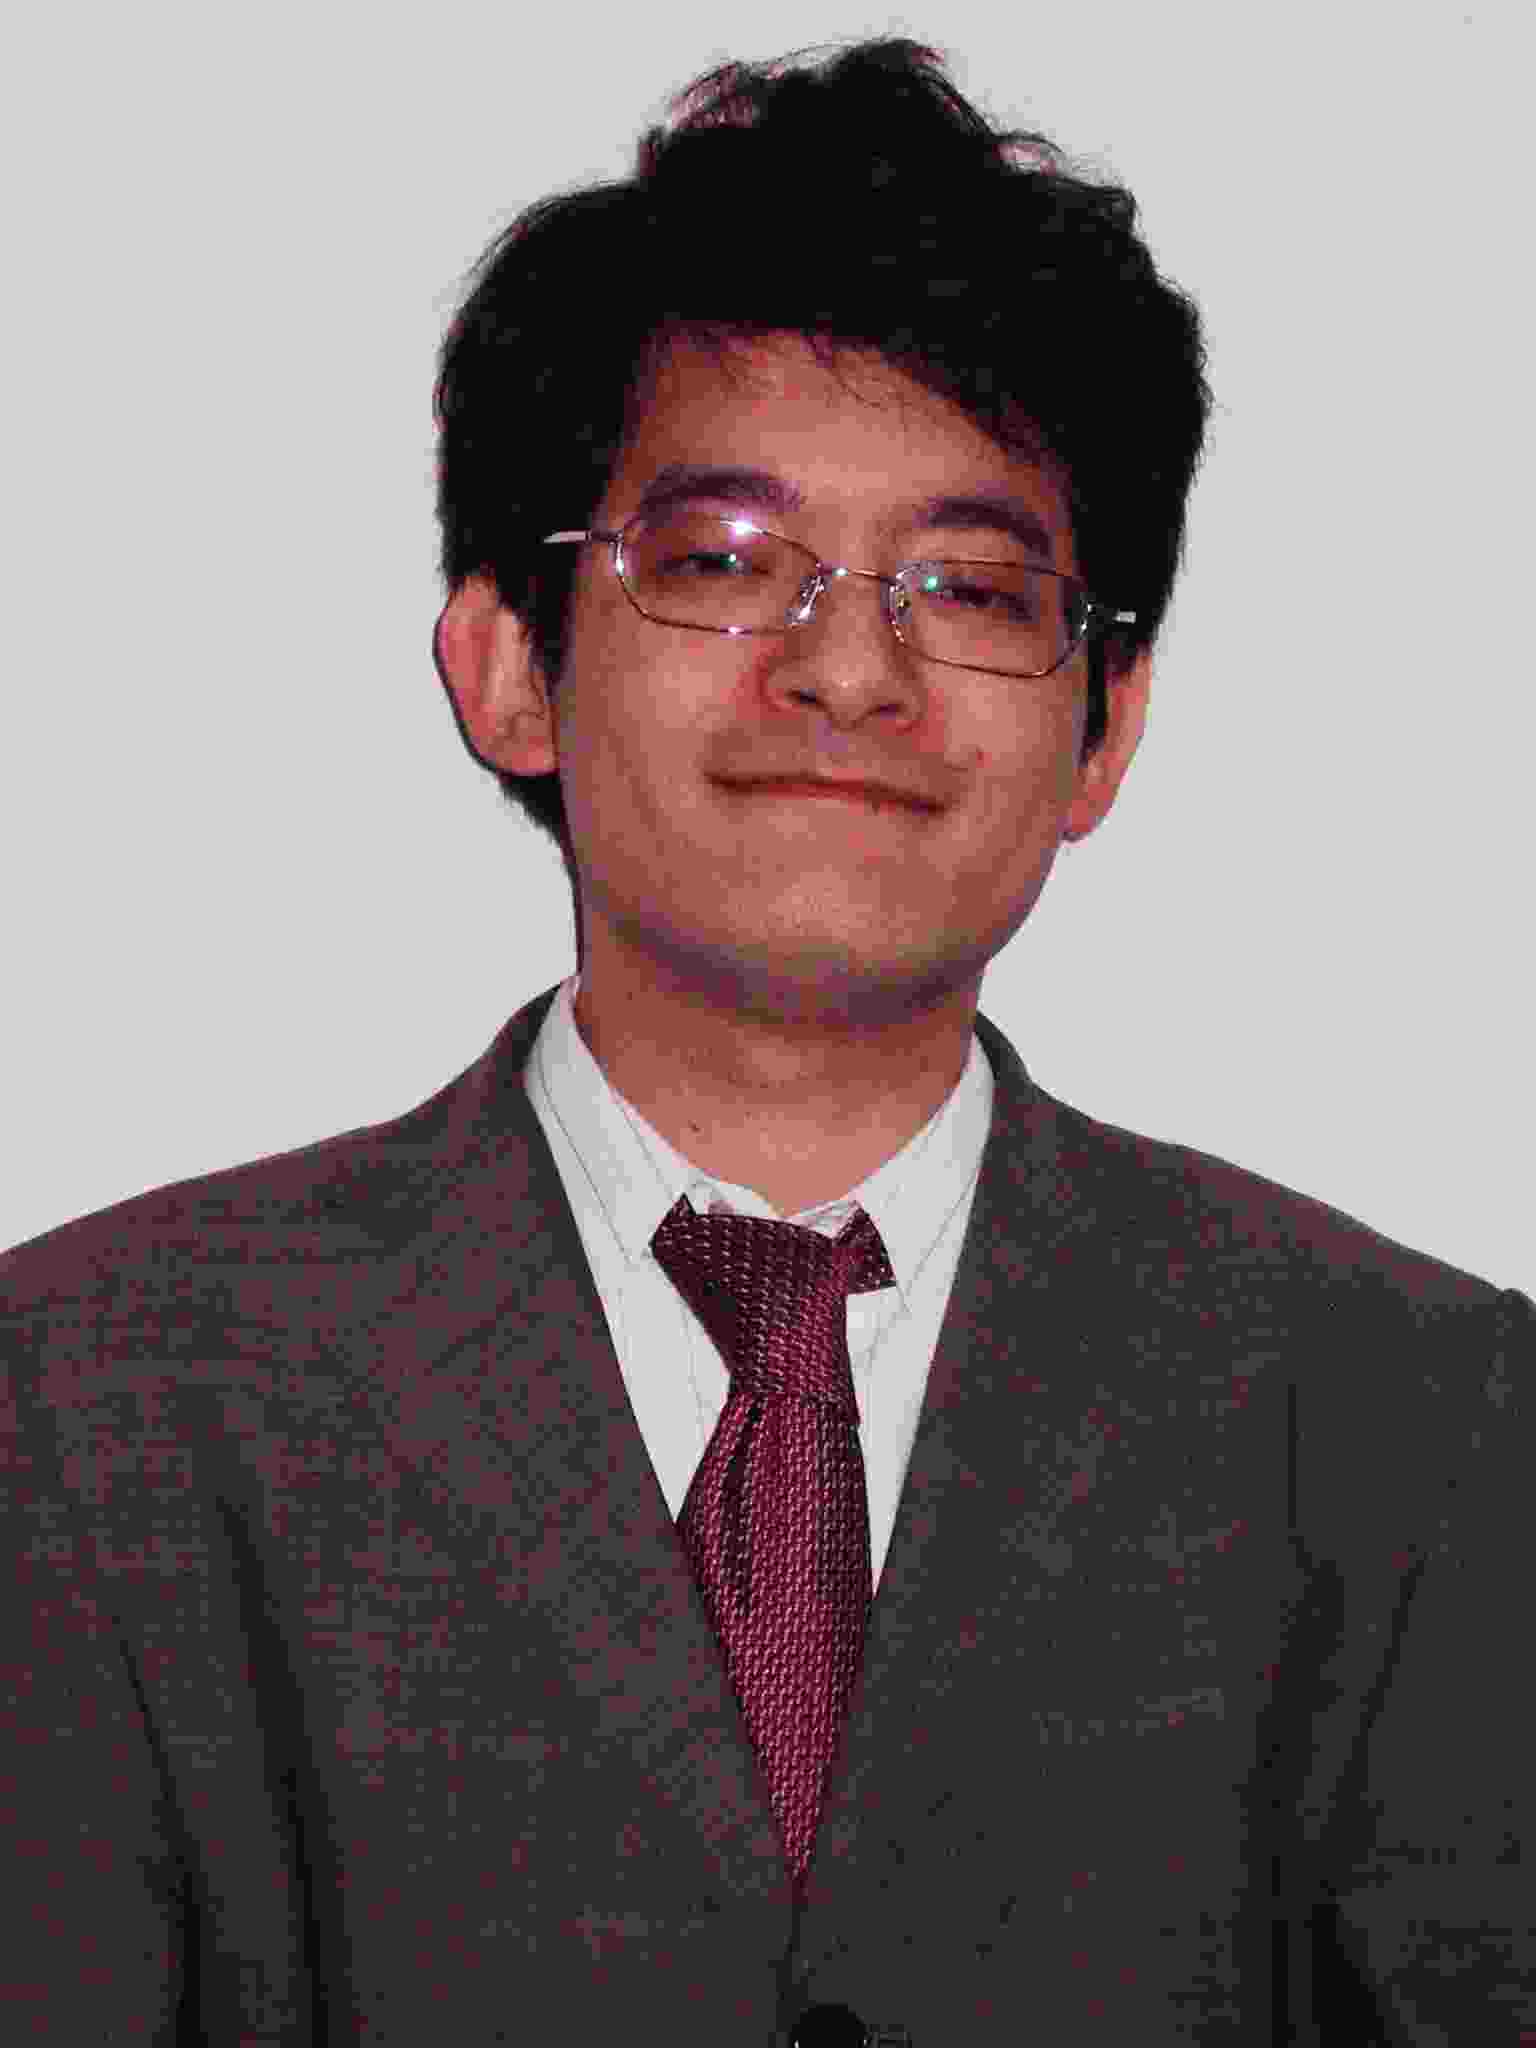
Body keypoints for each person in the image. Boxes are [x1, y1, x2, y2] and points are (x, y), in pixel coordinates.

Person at [2, 36, 1530, 2047]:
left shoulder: (1428, 1425)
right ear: (509, 664)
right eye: (724, 562)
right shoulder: (81, 1403)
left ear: (1106, 725)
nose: (851, 669)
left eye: (970, 587)